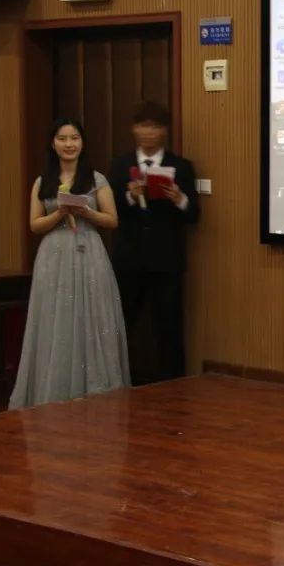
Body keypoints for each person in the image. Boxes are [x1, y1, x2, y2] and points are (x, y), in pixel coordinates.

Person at [9, 119, 130, 408]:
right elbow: (35, 224)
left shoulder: (96, 179)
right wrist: (60, 213)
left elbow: (112, 220)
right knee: (56, 319)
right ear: (53, 144)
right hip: (54, 256)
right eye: (62, 138)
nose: (69, 144)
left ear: (82, 143)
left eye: (74, 138)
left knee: (92, 316)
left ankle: (96, 389)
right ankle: (55, 389)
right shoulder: (42, 181)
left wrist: (86, 212)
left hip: (89, 252)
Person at [108, 100, 199, 384]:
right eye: (143, 126)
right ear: (133, 129)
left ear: (165, 131)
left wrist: (179, 199)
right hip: (129, 258)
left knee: (169, 326)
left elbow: (195, 214)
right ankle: (112, 379)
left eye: (155, 126)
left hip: (167, 259)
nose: (149, 132)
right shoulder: (120, 165)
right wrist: (130, 197)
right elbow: (110, 212)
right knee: (121, 321)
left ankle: (174, 385)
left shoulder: (180, 166)